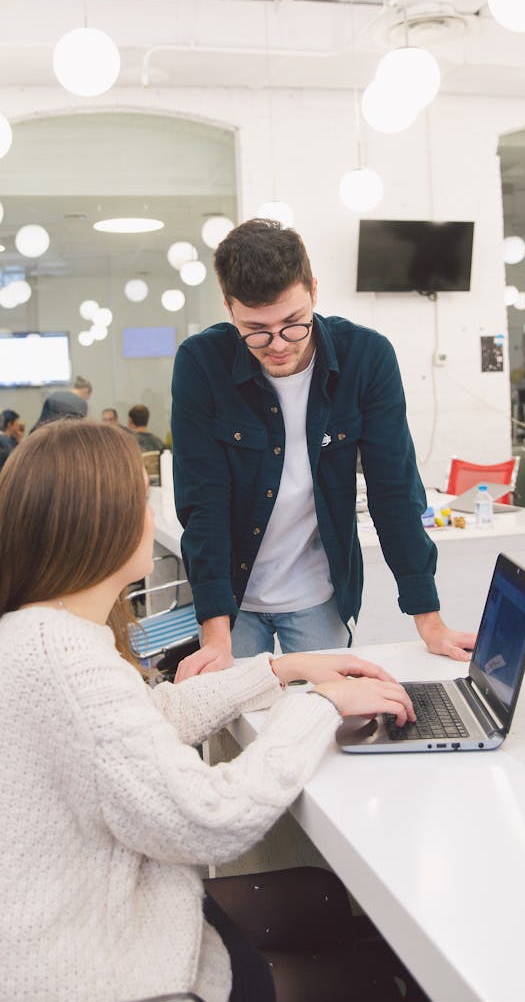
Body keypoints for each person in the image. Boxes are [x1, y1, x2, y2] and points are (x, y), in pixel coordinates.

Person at [0, 420, 418, 1002]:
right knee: (372, 979)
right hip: (78, 990)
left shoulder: (36, 632)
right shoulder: (62, 660)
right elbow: (213, 820)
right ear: (103, 524)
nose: (155, 516)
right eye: (144, 499)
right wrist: (321, 705)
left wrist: (283, 670)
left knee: (321, 897)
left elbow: (147, 714)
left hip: (68, 943)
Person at [171, 218, 476, 680]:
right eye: (256, 330)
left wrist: (429, 620)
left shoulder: (366, 357)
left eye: (293, 324)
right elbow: (203, 502)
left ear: (313, 290)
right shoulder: (200, 363)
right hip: (232, 600)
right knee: (237, 724)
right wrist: (215, 633)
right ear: (228, 308)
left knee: (328, 724)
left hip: (318, 594)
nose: (277, 345)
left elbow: (393, 491)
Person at [0, 409, 21, 476]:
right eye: (16, 423)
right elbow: (17, 462)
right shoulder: (4, 441)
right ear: (9, 424)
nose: (18, 426)